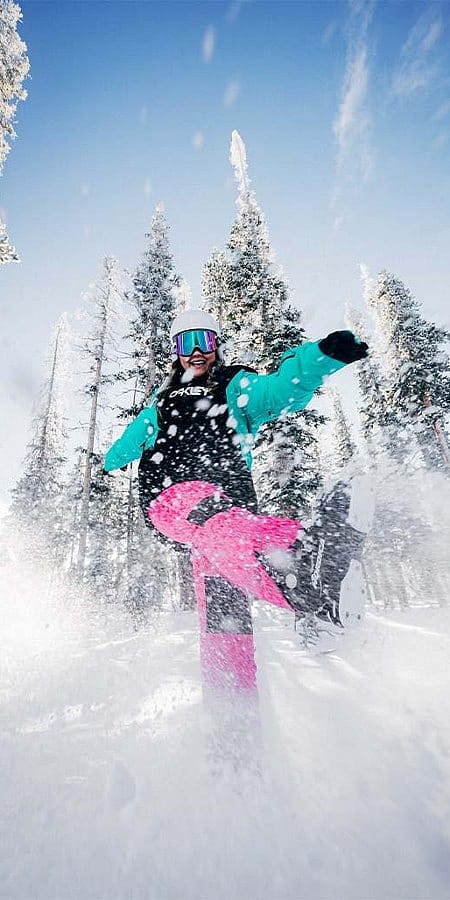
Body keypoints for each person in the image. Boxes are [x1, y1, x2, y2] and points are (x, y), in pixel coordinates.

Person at [104, 309, 370, 644]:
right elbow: (126, 444)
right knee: (219, 524)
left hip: (232, 507)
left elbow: (278, 391)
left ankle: (234, 687)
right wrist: (106, 464)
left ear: (216, 345)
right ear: (177, 351)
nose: (197, 351)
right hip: (171, 496)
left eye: (205, 340)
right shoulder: (162, 403)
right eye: (188, 343)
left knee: (226, 599)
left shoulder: (234, 385)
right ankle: (310, 576)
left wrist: (319, 358)